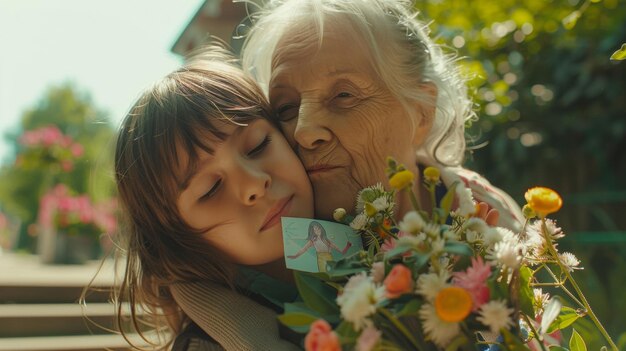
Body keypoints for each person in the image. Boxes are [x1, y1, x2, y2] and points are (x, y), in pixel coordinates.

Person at [241, 0, 524, 230]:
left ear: (421, 113)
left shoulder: (491, 220)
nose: (303, 132)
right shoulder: (277, 249)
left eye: (344, 96)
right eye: (286, 109)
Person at [112, 46, 313, 350]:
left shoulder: (380, 226)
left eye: (258, 145)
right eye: (210, 189)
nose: (254, 185)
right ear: (177, 236)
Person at [286, 220, 352, 272]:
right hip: (321, 261)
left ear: (321, 228)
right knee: (324, 275)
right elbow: (304, 249)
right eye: (315, 229)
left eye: (318, 228)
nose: (317, 230)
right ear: (313, 231)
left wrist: (347, 246)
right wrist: (296, 256)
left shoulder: (327, 241)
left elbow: (341, 252)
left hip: (330, 261)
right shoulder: (313, 241)